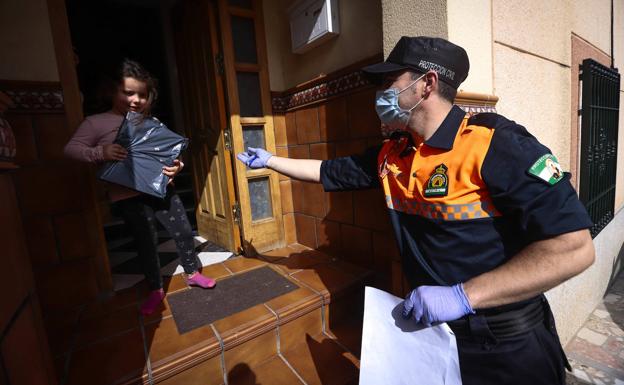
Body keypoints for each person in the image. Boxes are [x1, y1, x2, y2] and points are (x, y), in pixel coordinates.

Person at [236, 36, 595, 384]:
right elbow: (326, 171)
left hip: (504, 348)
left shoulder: (495, 145)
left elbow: (574, 248)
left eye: (389, 81)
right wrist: (270, 160)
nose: (380, 93)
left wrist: (463, 296)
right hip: (435, 341)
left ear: (427, 84)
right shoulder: (393, 154)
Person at [65, 59, 216, 316]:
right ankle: (156, 289)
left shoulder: (151, 122)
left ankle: (192, 273)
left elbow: (169, 152)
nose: (136, 99)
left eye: (142, 95)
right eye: (128, 92)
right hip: (127, 196)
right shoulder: (96, 123)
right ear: (113, 91)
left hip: (161, 190)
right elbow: (70, 150)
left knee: (182, 231)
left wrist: (176, 166)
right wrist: (100, 152)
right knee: (146, 242)